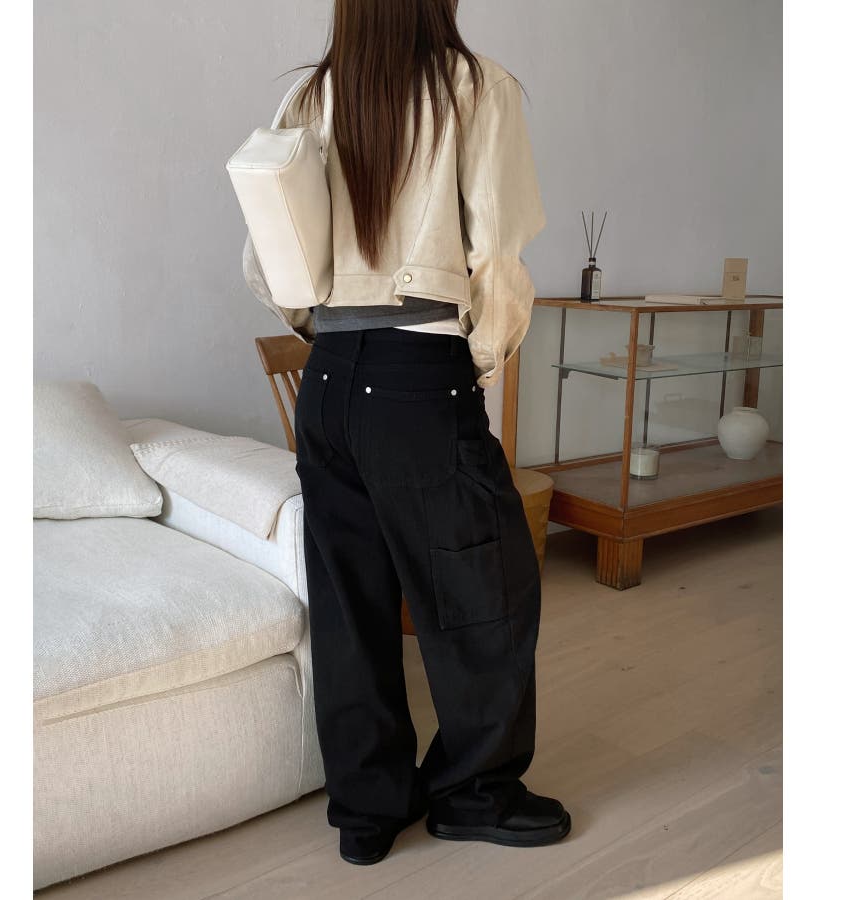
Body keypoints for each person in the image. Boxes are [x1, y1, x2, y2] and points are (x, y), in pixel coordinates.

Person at [242, 0, 571, 866]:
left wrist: (327, 337)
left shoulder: (310, 97)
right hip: (420, 374)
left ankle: (366, 809)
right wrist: (479, 363)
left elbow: (266, 258)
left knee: (349, 600)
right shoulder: (476, 87)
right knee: (486, 587)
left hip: (328, 379)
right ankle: (473, 793)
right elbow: (496, 254)